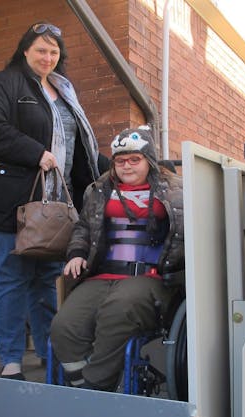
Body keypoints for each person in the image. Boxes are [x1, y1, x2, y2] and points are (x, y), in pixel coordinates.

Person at [0, 21, 103, 380]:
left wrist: (117, 167)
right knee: (10, 280)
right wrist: (35, 151)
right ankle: (11, 360)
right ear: (25, 51)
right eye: (41, 50)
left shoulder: (65, 91)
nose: (48, 57)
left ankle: (52, 353)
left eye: (54, 52)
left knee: (46, 283)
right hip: (8, 203)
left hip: (51, 208)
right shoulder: (6, 84)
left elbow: (80, 148)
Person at [50, 126, 185, 391]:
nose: (127, 166)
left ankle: (96, 389)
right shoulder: (99, 190)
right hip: (102, 274)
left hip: (150, 277)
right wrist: (76, 253)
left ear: (149, 161)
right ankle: (79, 382)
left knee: (117, 312)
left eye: (135, 159)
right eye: (120, 161)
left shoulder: (176, 191)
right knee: (65, 325)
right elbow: (83, 228)